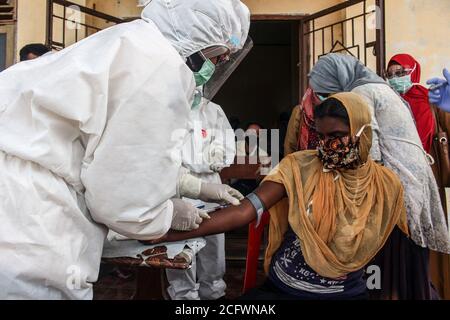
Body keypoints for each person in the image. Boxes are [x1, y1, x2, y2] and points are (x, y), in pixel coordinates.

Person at [0, 0, 250, 300]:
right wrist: (167, 213)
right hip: (32, 221)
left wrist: (196, 187)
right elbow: (123, 203)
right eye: (219, 55)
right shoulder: (162, 69)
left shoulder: (126, 42)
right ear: (198, 37)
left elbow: (113, 155)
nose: (218, 65)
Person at [144, 93, 409, 300]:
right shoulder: (300, 167)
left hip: (346, 293)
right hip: (285, 287)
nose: (328, 145)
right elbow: (244, 212)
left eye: (337, 136)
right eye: (322, 137)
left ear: (362, 131)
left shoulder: (386, 185)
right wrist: (165, 233)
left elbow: (388, 248)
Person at [306, 53, 450, 300]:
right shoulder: (378, 88)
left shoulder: (361, 92)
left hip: (396, 185)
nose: (326, 96)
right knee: (408, 267)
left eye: (326, 90)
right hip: (412, 181)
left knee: (390, 267)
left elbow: (368, 147)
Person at [166, 98, 236, 300]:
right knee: (180, 244)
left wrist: (219, 152)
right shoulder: (169, 107)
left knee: (213, 241)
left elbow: (226, 139)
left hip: (210, 181)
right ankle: (184, 296)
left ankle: (213, 292)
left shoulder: (213, 110)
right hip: (178, 181)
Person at [386, 54, 435, 153]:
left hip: (415, 154)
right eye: (390, 75)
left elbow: (422, 138)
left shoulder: (422, 99)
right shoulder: (391, 98)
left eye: (399, 73)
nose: (394, 78)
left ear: (413, 72)